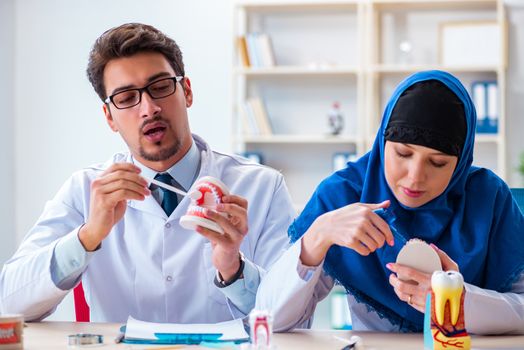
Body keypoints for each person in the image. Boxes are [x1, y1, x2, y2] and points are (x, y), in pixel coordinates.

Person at [0, 23, 295, 323]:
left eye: (161, 87)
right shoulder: (85, 190)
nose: (149, 108)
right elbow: (9, 303)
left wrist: (233, 268)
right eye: (127, 98)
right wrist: (88, 236)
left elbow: (293, 319)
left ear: (187, 91)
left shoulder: (262, 187)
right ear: (109, 118)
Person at [255, 70, 524, 334]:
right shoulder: (344, 196)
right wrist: (318, 236)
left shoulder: (489, 198)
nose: (415, 177)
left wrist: (461, 303)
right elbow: (272, 320)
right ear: (382, 143)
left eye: (438, 162)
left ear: (461, 162)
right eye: (403, 153)